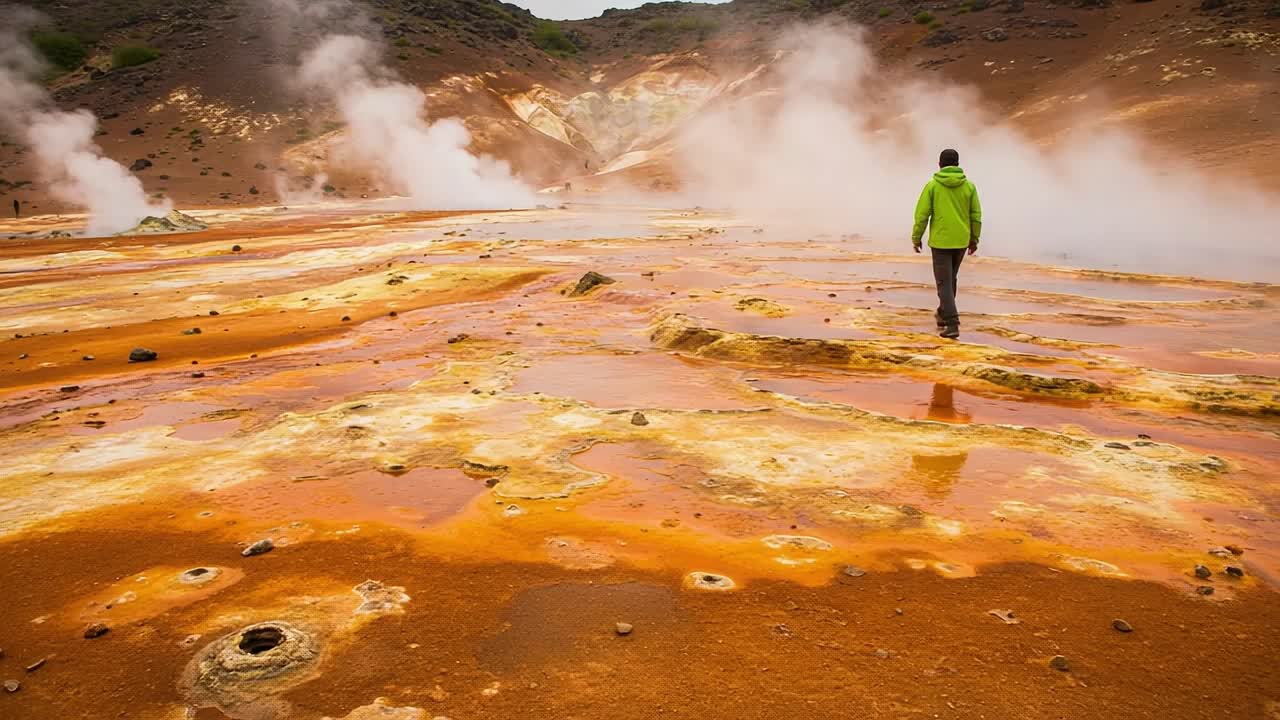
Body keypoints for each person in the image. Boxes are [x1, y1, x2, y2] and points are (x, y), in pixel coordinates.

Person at [911, 148, 982, 339]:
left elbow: (922, 215)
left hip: (941, 242)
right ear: (957, 164)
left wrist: (916, 237)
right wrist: (974, 238)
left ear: (940, 164)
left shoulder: (933, 186)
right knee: (950, 281)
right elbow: (976, 216)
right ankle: (943, 314)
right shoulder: (969, 187)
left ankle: (952, 324)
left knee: (944, 283)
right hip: (960, 242)